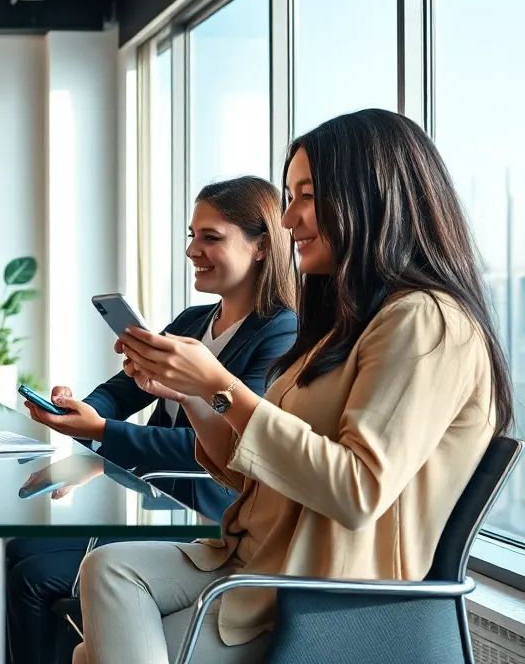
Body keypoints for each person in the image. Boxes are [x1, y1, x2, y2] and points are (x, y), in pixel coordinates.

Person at [73, 108, 514, 664]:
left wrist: (222, 387)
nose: (287, 219)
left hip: (322, 592)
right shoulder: (342, 325)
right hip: (260, 556)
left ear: (372, 196)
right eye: (289, 197)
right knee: (107, 567)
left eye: (307, 196)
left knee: (92, 654)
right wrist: (191, 394)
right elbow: (251, 468)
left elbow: (356, 490)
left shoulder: (426, 321)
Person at [13, 176, 297, 664]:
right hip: (153, 502)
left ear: (262, 247)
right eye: (192, 235)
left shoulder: (281, 332)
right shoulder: (191, 322)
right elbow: (120, 390)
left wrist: (99, 432)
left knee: (32, 577)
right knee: (16, 550)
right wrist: (81, 411)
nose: (192, 250)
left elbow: (227, 446)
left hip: (200, 513)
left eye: (211, 237)